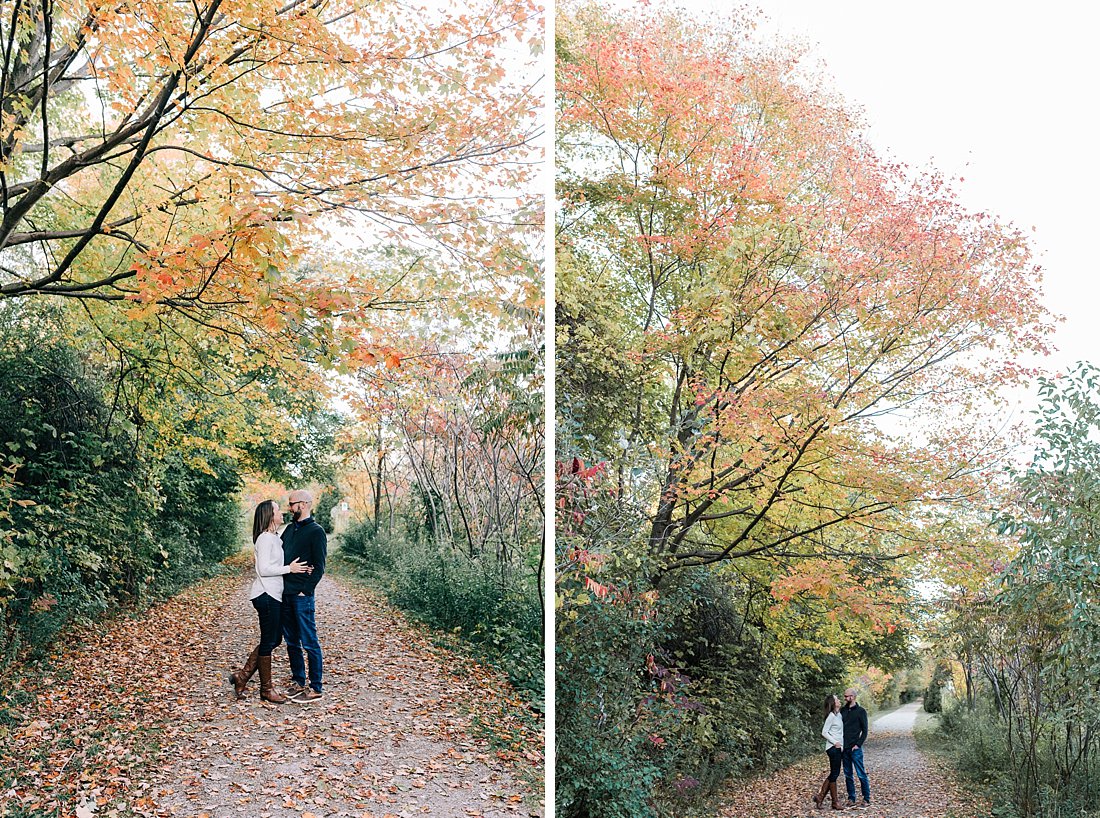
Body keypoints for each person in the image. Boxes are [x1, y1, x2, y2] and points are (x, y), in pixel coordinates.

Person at [228, 500, 311, 703]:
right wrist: (288, 569)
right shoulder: (265, 538)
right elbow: (264, 569)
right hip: (265, 594)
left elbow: (277, 562)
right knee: (269, 640)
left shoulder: (274, 537)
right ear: (269, 515)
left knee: (274, 639)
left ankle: (242, 676)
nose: (281, 512)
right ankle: (266, 689)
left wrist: (300, 569)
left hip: (273, 594)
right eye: (277, 509)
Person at [281, 489, 327, 702]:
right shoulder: (289, 529)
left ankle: (316, 687)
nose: (290, 508)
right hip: (285, 593)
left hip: (301, 596)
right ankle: (298, 681)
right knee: (291, 641)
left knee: (309, 641)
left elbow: (319, 567)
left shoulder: (316, 532)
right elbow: (279, 556)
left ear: (305, 504)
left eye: (293, 504)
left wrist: (305, 590)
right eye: (290, 504)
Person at [812, 693, 845, 810]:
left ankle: (821, 798)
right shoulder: (831, 716)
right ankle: (833, 801)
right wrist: (835, 742)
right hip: (832, 748)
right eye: (837, 699)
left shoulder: (839, 715)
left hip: (838, 748)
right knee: (834, 774)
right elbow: (824, 732)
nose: (839, 700)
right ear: (833, 703)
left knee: (834, 774)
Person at [840, 687, 871, 808]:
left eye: (848, 696)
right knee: (848, 775)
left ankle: (866, 798)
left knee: (861, 774)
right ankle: (851, 798)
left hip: (855, 748)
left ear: (854, 697)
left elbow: (865, 731)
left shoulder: (861, 711)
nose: (846, 698)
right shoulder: (842, 711)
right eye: (845, 696)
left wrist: (858, 744)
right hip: (844, 748)